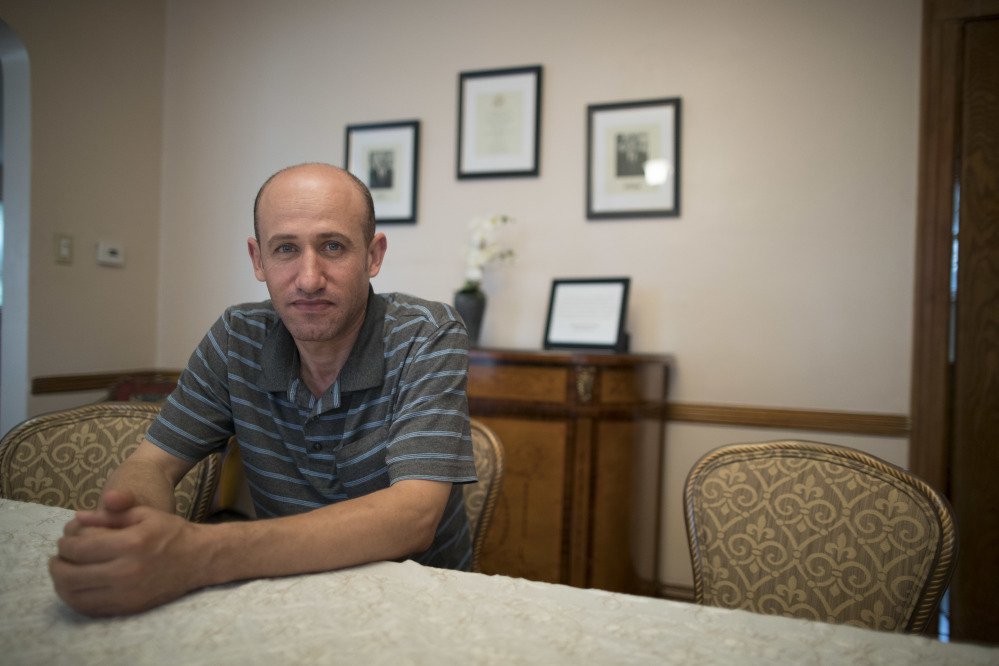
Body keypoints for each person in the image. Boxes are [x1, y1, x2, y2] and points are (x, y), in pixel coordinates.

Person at [49, 163, 476, 617]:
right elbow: (151, 462)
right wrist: (132, 536)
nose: (309, 278)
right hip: (281, 597)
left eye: (333, 246)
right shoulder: (237, 338)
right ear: (258, 259)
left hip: (417, 605)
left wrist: (196, 551)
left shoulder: (426, 334)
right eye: (285, 249)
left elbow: (413, 516)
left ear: (373, 256)